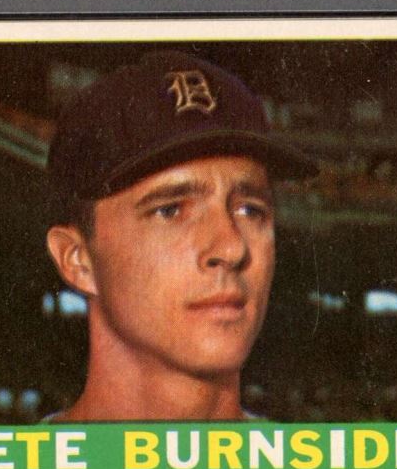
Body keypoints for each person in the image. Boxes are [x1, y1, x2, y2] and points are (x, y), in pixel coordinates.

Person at [44, 51, 316, 421]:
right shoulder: (16, 462)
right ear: (77, 260)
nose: (232, 247)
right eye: (170, 210)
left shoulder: (312, 460)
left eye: (250, 210)